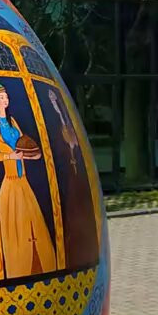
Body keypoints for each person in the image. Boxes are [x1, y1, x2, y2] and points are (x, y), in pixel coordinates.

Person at [0, 83, 56, 278]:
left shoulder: (13, 121)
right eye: (1, 98)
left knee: (33, 224)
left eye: (6, 97)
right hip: (10, 181)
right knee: (16, 227)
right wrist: (9, 157)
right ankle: (19, 268)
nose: (5, 100)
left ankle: (39, 265)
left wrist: (31, 154)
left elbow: (23, 143)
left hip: (23, 179)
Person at [47, 88, 99, 267]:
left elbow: (74, 142)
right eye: (52, 100)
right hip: (67, 175)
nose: (54, 102)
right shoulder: (55, 124)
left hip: (76, 174)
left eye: (55, 99)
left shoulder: (67, 121)